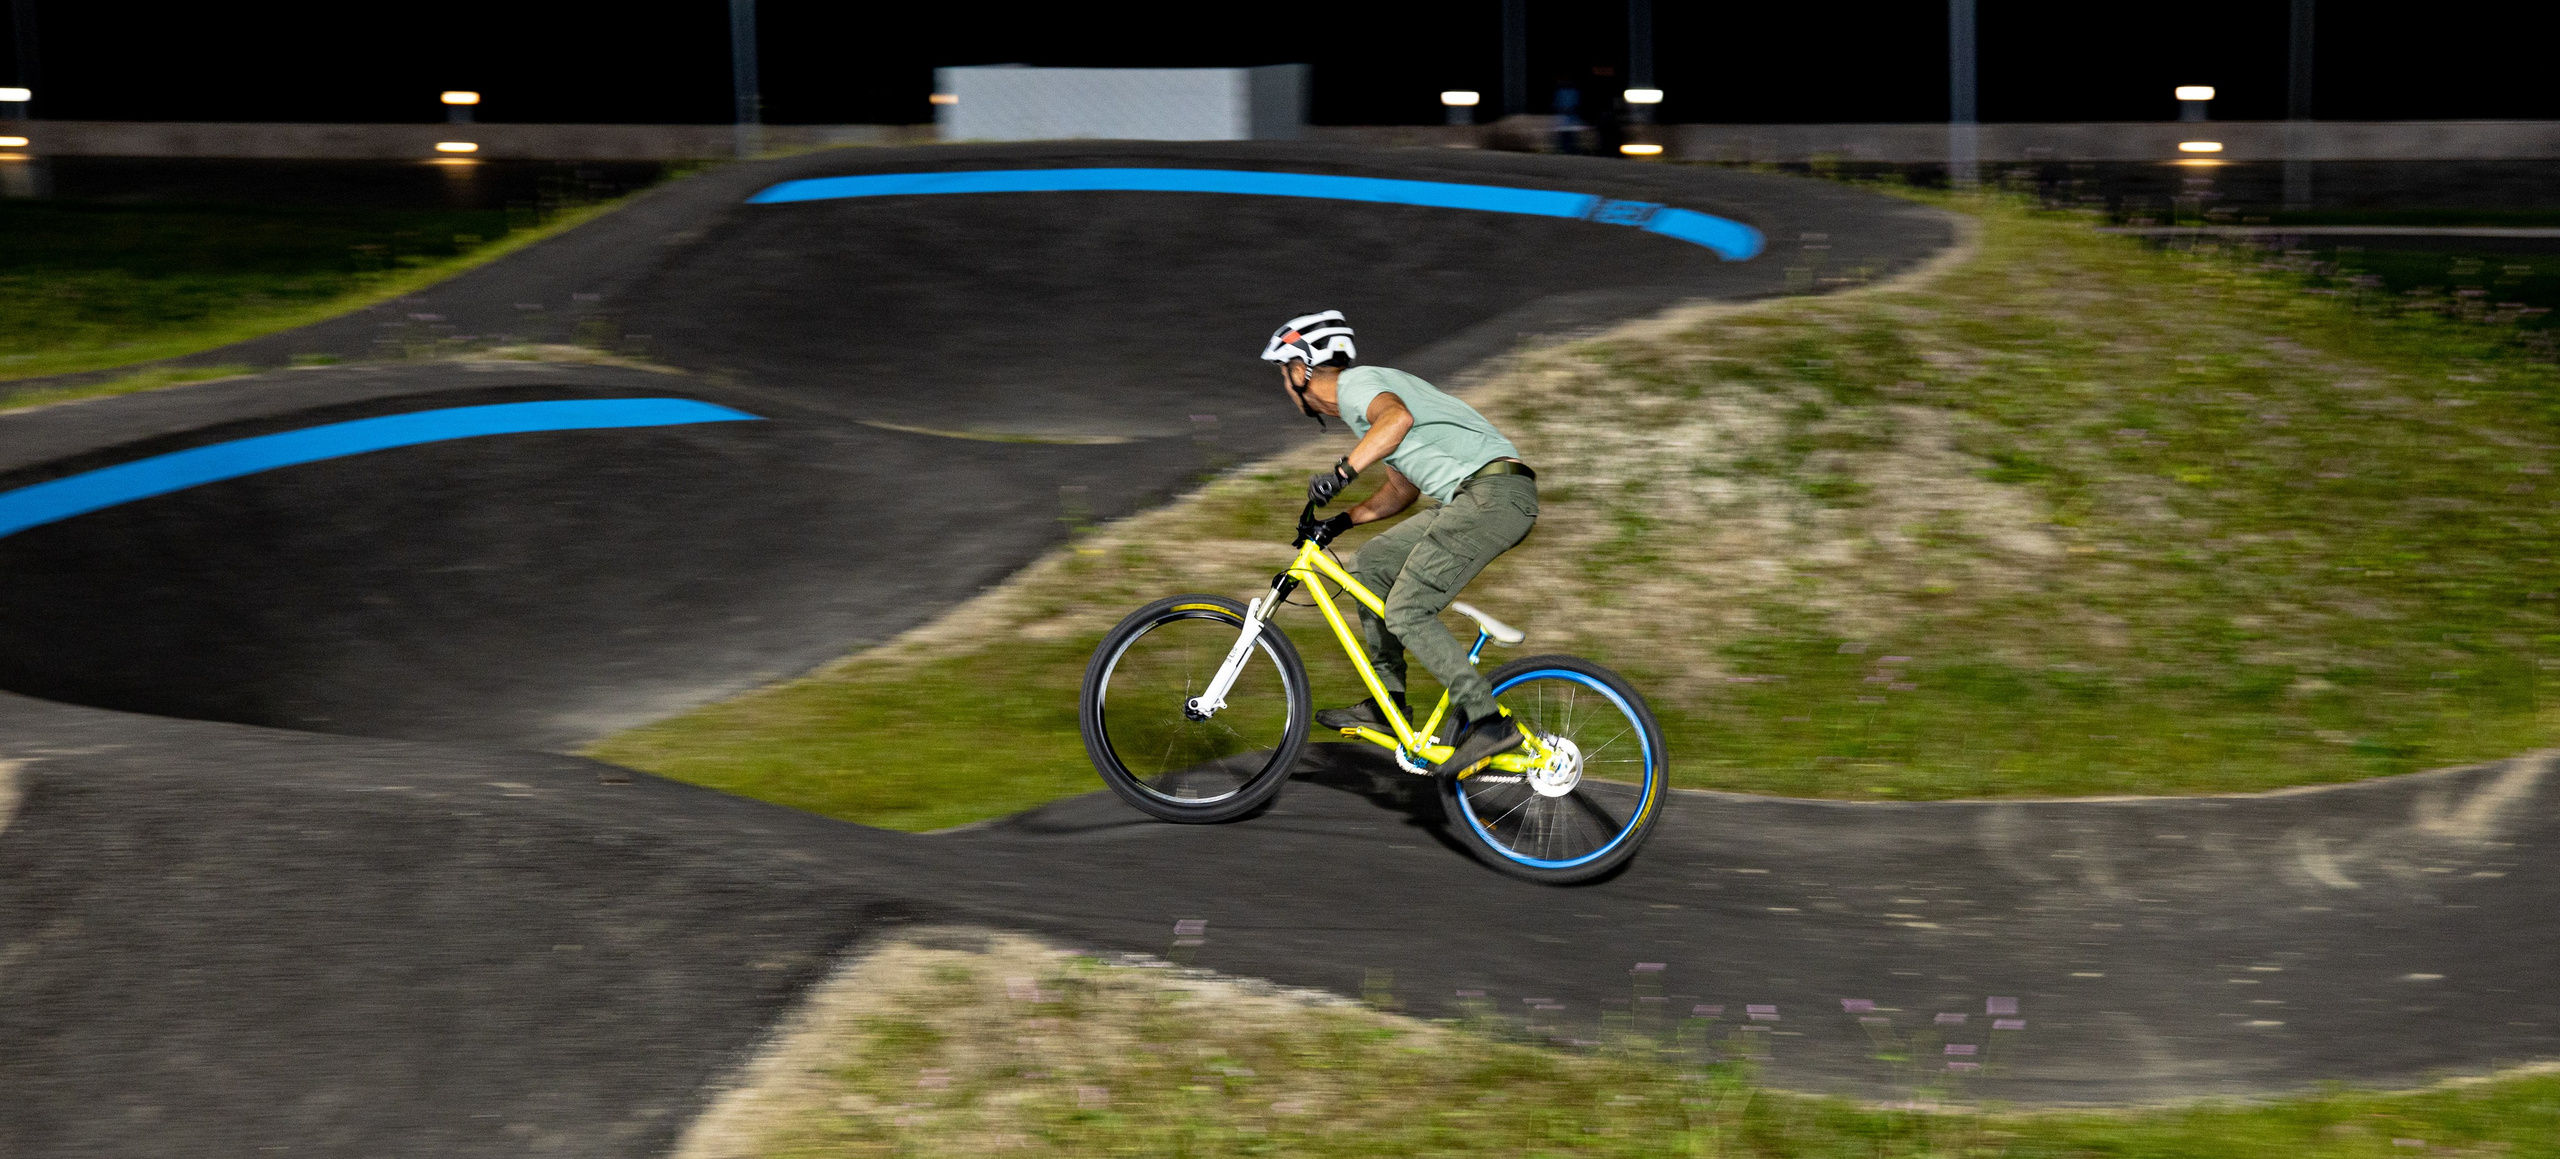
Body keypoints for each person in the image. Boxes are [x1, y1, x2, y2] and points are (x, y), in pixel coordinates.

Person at [1259, 310, 1540, 776]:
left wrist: (1343, 473)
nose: (1284, 386)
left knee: (1407, 608)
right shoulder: (1362, 407)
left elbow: (1397, 419)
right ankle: (1387, 703)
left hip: (1493, 495)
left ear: (1302, 368)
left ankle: (1490, 722)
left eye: (1283, 373)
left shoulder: (1358, 386)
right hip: (1476, 496)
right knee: (1371, 566)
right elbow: (1401, 491)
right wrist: (1340, 522)